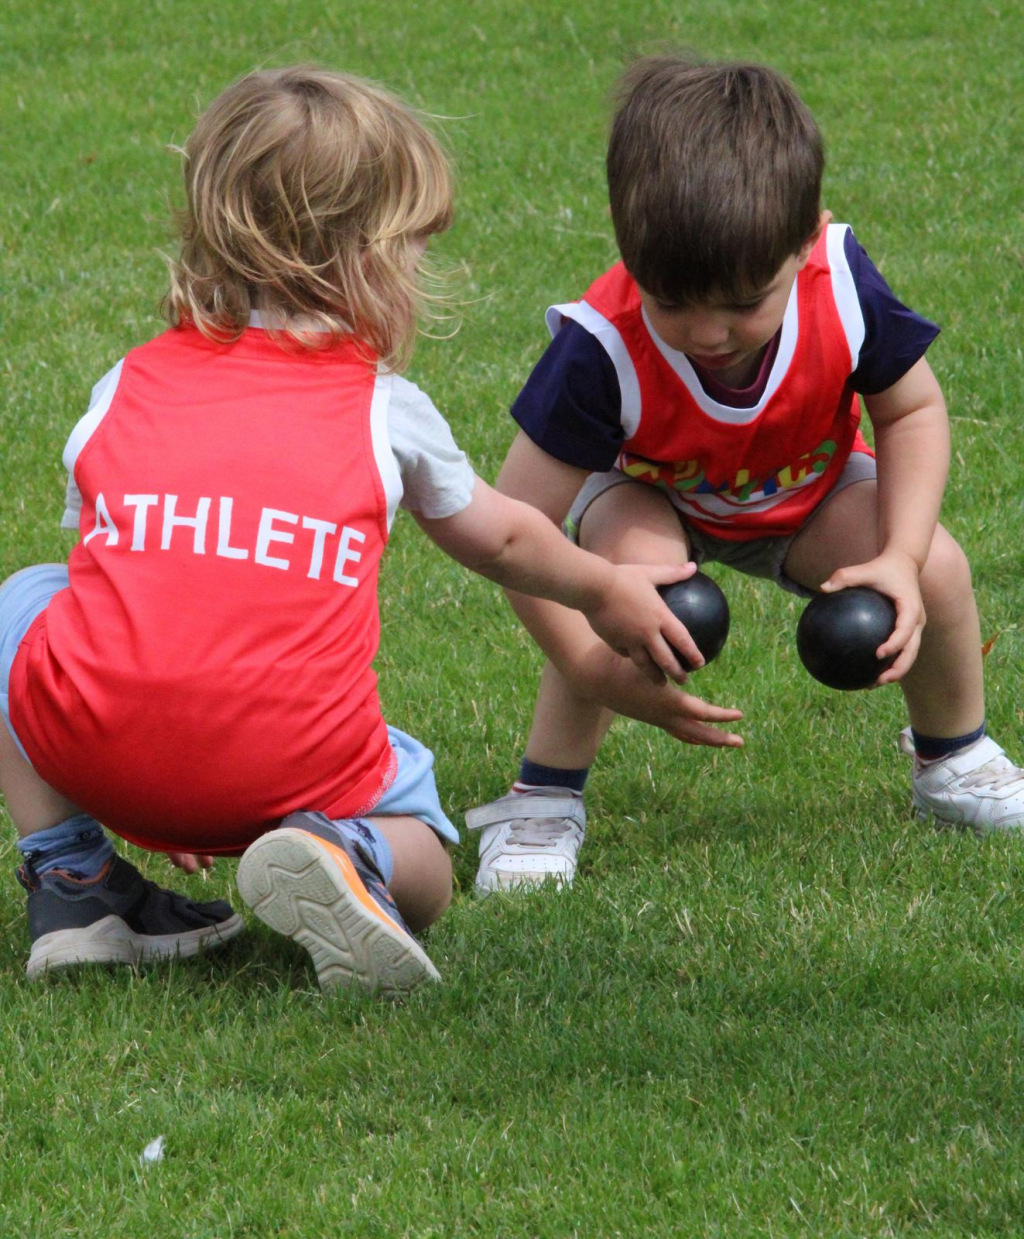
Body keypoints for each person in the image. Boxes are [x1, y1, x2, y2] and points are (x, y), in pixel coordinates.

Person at [0, 65, 703, 996]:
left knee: (26, 598)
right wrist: (606, 586)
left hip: (97, 746)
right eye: (411, 246)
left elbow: (107, 577)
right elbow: (502, 538)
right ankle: (348, 850)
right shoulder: (383, 410)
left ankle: (73, 882)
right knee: (434, 861)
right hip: (286, 764)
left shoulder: (124, 384)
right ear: (362, 258)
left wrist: (156, 756)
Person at [466, 54, 1024, 895]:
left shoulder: (840, 286)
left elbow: (910, 412)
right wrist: (588, 654)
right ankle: (544, 793)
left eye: (741, 304)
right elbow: (513, 531)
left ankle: (954, 758)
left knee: (940, 564)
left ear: (806, 243)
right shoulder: (601, 346)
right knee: (620, 581)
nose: (707, 332)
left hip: (804, 493)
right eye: (672, 302)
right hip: (648, 495)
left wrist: (901, 558)